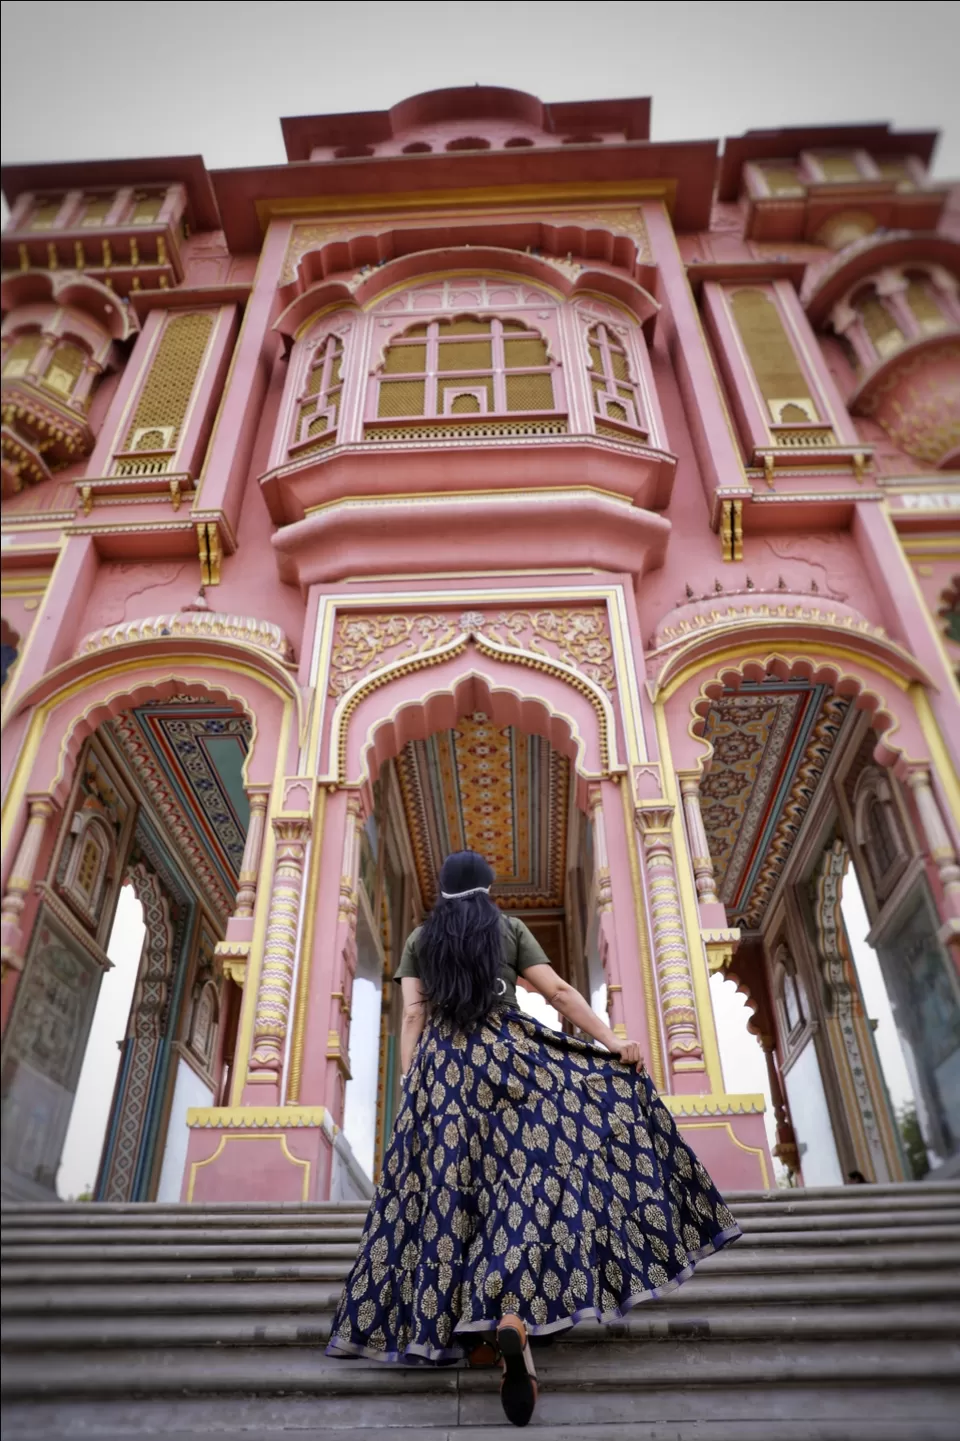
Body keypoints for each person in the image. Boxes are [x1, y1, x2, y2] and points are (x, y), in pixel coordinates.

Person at [327, 850, 741, 1427]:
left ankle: (468, 1323)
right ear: (488, 889)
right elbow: (560, 993)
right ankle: (510, 1312)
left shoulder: (422, 939)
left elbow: (413, 1016)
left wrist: (411, 1080)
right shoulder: (508, 929)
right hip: (513, 1059)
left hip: (445, 1070)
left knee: (451, 1197)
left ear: (442, 893)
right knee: (528, 1183)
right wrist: (611, 1040)